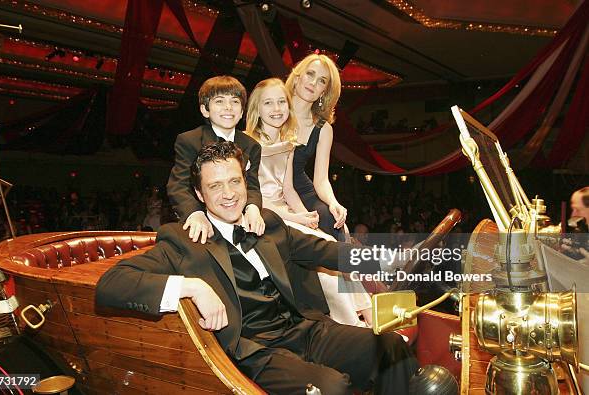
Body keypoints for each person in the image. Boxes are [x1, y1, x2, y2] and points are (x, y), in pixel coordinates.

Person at [96, 142, 417, 395]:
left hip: (304, 330)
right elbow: (112, 283)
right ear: (199, 194)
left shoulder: (268, 224)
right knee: (331, 388)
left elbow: (329, 252)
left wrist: (388, 260)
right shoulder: (182, 240)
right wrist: (191, 287)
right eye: (215, 186)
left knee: (391, 348)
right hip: (254, 351)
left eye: (234, 181)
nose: (228, 194)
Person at [245, 78, 371, 327]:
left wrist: (307, 218)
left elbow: (289, 189)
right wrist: (296, 219)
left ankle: (367, 314)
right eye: (268, 103)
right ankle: (351, 324)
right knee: (322, 252)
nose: (277, 108)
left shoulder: (289, 144)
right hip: (264, 214)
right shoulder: (248, 145)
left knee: (327, 241)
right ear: (256, 109)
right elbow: (254, 198)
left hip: (288, 212)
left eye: (282, 101)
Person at [167, 75, 265, 244]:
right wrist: (195, 214)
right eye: (219, 101)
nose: (228, 107)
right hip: (204, 219)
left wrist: (253, 208)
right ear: (205, 109)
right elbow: (178, 185)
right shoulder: (189, 140)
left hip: (238, 218)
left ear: (242, 111)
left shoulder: (252, 145)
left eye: (235, 101)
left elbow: (253, 186)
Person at [286, 53, 347, 240]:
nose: (313, 82)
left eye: (321, 81)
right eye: (310, 74)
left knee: (335, 225)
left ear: (324, 92)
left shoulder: (323, 128)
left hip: (302, 189)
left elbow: (320, 179)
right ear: (297, 77)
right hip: (269, 187)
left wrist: (333, 202)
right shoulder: (273, 111)